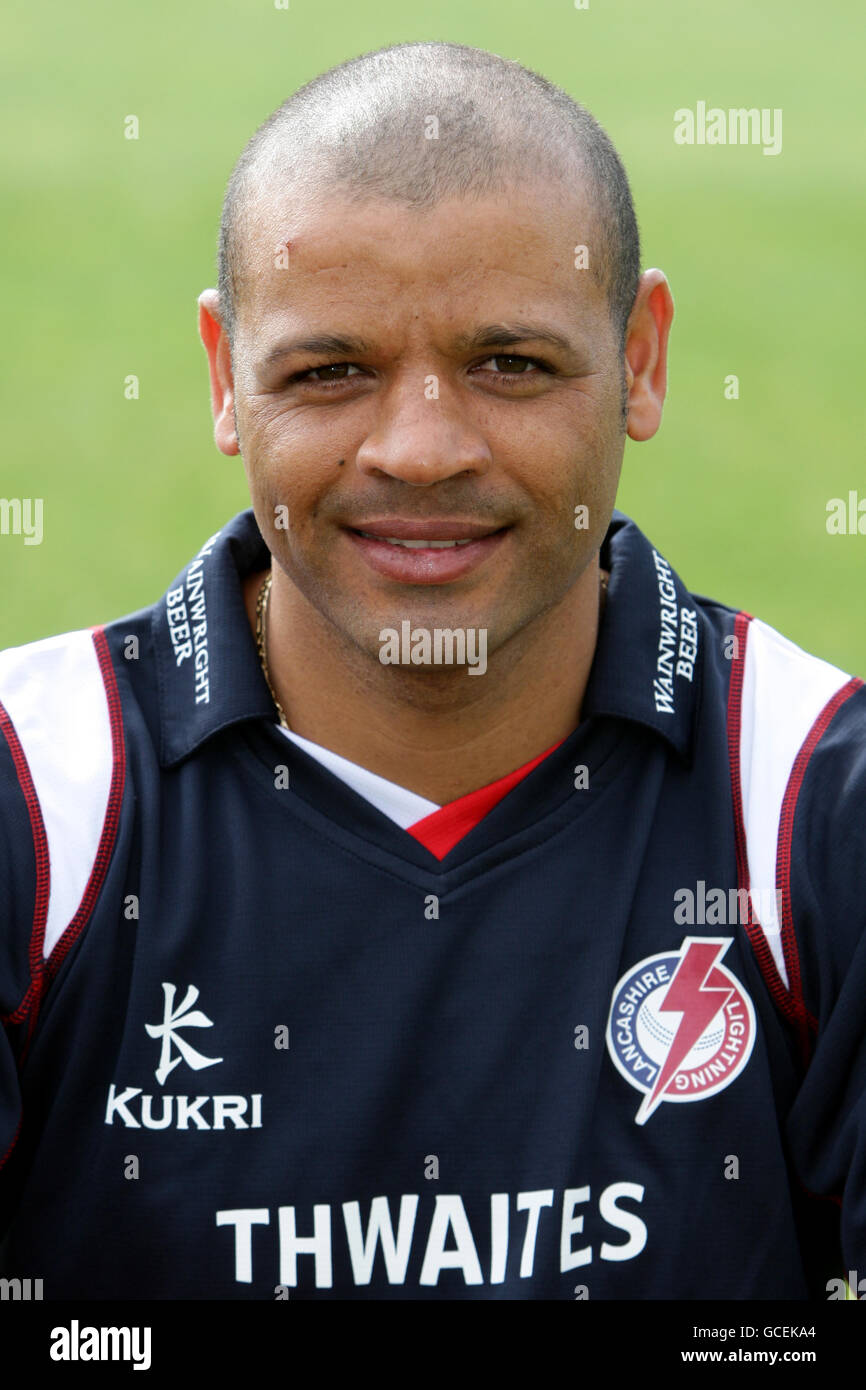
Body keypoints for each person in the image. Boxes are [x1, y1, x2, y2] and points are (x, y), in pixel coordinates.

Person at [0, 40, 863, 1301]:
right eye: (329, 370)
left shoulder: (812, 804)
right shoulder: (34, 804)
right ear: (223, 377)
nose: (418, 449)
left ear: (640, 359)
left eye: (508, 364)